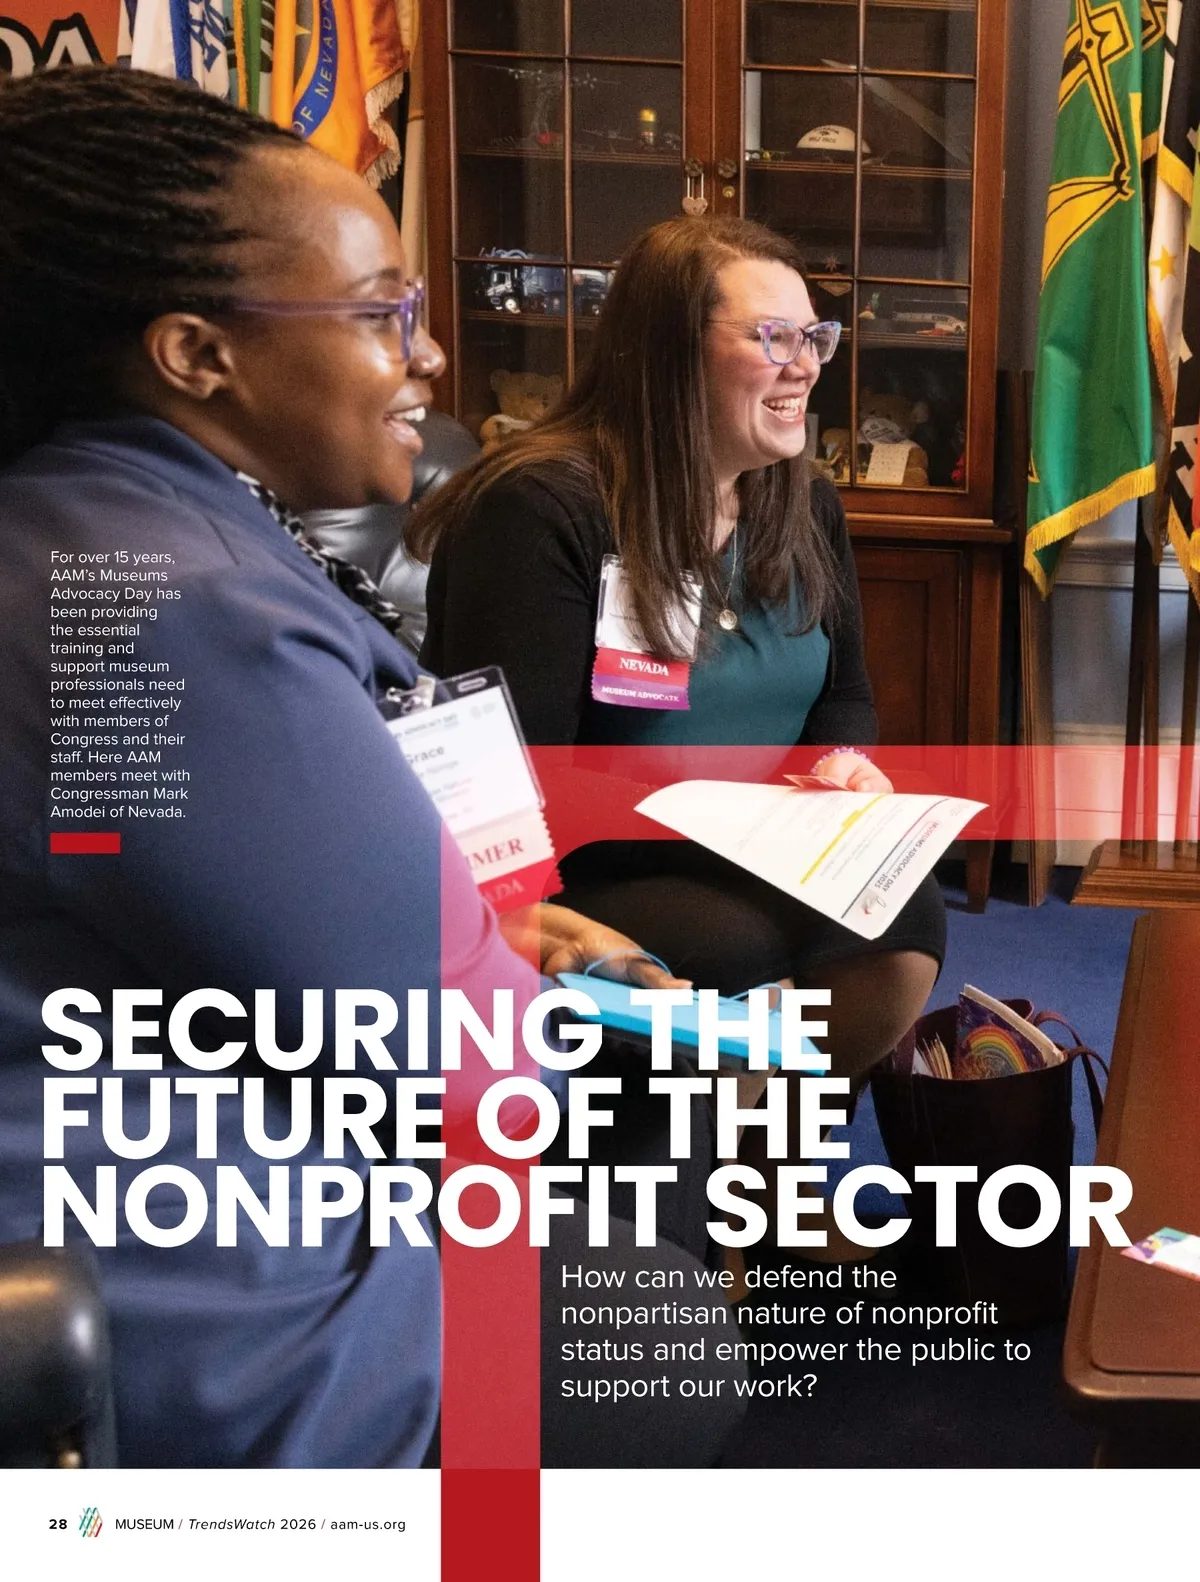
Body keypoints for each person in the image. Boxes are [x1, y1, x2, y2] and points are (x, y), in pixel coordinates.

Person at [0, 68, 736, 1470]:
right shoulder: (170, 609)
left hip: (153, 1163)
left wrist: (481, 937)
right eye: (381, 312)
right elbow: (459, 1064)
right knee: (653, 1325)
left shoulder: (92, 523)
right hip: (189, 1300)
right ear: (195, 353)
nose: (432, 354)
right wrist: (518, 979)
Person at [413, 217, 947, 1242]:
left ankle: (764, 1172)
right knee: (736, 941)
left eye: (815, 338)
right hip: (580, 867)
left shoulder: (802, 498)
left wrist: (844, 768)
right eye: (772, 338)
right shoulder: (544, 509)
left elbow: (844, 695)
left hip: (752, 840)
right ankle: (674, 1213)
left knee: (899, 921)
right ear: (669, 352)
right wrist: (721, 817)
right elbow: (507, 777)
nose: (806, 367)